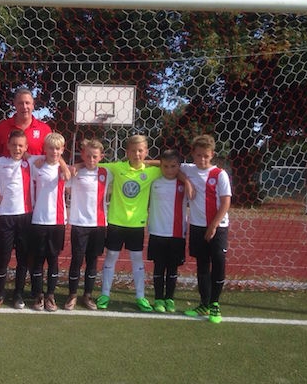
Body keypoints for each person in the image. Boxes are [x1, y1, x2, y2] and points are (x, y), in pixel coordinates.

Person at [0, 87, 52, 294]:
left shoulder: (45, 129)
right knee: (0, 245)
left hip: (35, 197)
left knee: (29, 245)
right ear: (14, 104)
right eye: (20, 102)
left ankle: (30, 286)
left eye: (28, 103)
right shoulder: (3, 127)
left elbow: (53, 158)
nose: (24, 106)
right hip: (7, 198)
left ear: (33, 105)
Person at [96, 135, 162, 312]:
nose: (137, 154)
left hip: (136, 225)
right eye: (133, 151)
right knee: (111, 257)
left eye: (140, 151)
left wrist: (148, 162)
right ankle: (105, 294)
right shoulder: (118, 168)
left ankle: (140, 297)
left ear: (146, 152)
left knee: (137, 259)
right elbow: (94, 164)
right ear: (127, 152)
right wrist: (74, 166)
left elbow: (171, 164)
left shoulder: (151, 172)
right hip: (116, 222)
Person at [182, 135, 231, 324]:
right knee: (202, 266)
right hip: (197, 226)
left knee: (218, 264)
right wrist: (186, 181)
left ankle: (215, 303)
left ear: (212, 155)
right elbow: (165, 164)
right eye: (199, 155)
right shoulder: (189, 169)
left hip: (217, 227)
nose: (202, 159)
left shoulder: (219, 174)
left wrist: (213, 226)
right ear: (193, 154)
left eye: (206, 156)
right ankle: (204, 303)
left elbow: (226, 203)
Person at [0, 129, 37, 309]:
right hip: (5, 217)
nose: (17, 148)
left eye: (21, 145)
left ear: (26, 147)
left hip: (25, 217)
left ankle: (18, 294)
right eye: (14, 145)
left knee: (23, 258)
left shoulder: (33, 162)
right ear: (8, 146)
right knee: (3, 257)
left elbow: (55, 161)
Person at [64, 139, 112, 311]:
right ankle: (72, 295)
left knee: (92, 261)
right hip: (79, 223)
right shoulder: (75, 172)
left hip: (99, 225)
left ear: (101, 157)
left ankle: (88, 295)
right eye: (88, 156)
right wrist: (75, 166)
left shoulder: (107, 172)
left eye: (95, 156)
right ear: (83, 155)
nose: (91, 159)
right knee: (77, 260)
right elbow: (65, 181)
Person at [29, 133, 71, 311]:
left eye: (58, 148)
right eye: (51, 148)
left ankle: (50, 296)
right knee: (38, 259)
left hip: (57, 220)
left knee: (53, 259)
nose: (54, 151)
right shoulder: (36, 165)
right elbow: (23, 155)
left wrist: (64, 165)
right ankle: (38, 295)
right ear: (44, 149)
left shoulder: (64, 170)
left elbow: (82, 167)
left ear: (62, 150)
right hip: (38, 219)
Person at [147, 149, 187, 313]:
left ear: (179, 166)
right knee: (158, 267)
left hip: (177, 233)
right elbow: (144, 163)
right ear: (160, 165)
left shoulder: (184, 182)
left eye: (173, 166)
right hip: (157, 232)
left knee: (172, 269)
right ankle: (158, 299)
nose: (169, 170)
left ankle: (169, 298)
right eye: (165, 166)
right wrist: (157, 163)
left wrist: (187, 181)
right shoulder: (154, 179)